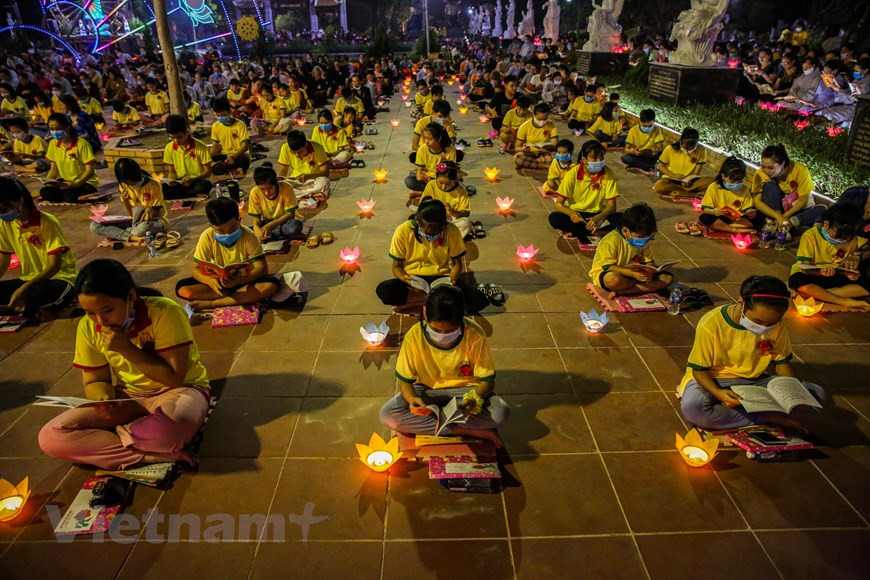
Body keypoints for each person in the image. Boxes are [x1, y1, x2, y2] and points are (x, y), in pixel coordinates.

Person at [38, 258, 210, 470]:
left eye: (108, 310)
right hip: (129, 397)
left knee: (169, 430)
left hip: (180, 391)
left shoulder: (165, 312)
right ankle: (146, 455)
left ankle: (118, 442)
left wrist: (126, 348)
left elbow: (173, 378)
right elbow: (95, 379)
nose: (100, 321)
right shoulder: (87, 327)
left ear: (131, 296)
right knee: (50, 436)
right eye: (90, 313)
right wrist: (103, 399)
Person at [679, 275, 826, 431]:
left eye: (771, 323)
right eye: (758, 322)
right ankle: (766, 417)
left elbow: (782, 362)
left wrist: (793, 394)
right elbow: (699, 370)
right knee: (694, 409)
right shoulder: (712, 323)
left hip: (752, 381)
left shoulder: (777, 326)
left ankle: (737, 415)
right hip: (714, 379)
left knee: (816, 395)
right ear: (741, 303)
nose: (764, 328)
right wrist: (718, 393)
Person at [379, 285, 509, 446]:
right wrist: (412, 399)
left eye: (451, 331)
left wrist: (475, 399)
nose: (443, 336)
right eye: (435, 330)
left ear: (463, 316)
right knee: (388, 415)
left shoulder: (474, 334)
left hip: (465, 393)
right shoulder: (415, 335)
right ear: (425, 313)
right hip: (426, 390)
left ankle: (436, 424)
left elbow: (487, 381)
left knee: (500, 413)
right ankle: (461, 430)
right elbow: (404, 381)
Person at [376, 198, 489, 313]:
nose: (431, 233)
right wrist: (406, 279)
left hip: (442, 278)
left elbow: (457, 264)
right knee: (385, 291)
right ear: (417, 220)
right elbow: (396, 267)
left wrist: (452, 280)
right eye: (426, 229)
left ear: (444, 224)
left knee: (478, 301)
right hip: (413, 280)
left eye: (436, 230)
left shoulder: (452, 230)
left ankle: (420, 301)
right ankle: (436, 301)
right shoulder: (403, 231)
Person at [176, 197, 280, 311]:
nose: (227, 234)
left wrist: (238, 281)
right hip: (218, 284)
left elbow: (262, 268)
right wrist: (211, 282)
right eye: (220, 231)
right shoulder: (207, 236)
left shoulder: (249, 236)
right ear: (210, 226)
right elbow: (195, 269)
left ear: (239, 220)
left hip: (244, 282)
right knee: (182, 288)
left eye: (232, 229)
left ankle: (213, 303)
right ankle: (236, 296)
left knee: (270, 285)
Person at [0, 176, 77, 318]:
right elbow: (4, 259)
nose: (2, 214)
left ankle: (27, 307)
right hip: (28, 279)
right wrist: (24, 286)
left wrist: (24, 288)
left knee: (36, 294)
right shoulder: (4, 224)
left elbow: (54, 265)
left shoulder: (47, 222)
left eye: (4, 208)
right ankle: (24, 307)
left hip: (58, 278)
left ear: (20, 201)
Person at [788, 203, 869, 310]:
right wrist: (820, 272)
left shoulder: (853, 240)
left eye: (845, 237)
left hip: (834, 277)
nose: (840, 240)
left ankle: (817, 294)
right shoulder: (811, 236)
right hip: (812, 276)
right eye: (837, 235)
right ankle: (843, 301)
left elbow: (867, 248)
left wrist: (854, 266)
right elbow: (805, 268)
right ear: (826, 224)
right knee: (796, 280)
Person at [589, 203, 674, 298]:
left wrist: (649, 272)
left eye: (647, 237)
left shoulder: (643, 240)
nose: (644, 240)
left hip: (634, 274)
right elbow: (608, 266)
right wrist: (633, 275)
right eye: (640, 237)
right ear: (625, 231)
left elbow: (648, 261)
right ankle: (636, 286)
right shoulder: (610, 240)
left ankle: (624, 291)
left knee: (667, 278)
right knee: (613, 280)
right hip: (612, 273)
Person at [548, 140, 621, 244]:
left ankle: (579, 231)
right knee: (554, 218)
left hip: (597, 214)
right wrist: (572, 213)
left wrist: (598, 218)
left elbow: (612, 206)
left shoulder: (608, 174)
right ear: (584, 160)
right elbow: (558, 204)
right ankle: (596, 232)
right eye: (594, 158)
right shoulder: (572, 174)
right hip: (577, 215)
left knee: (623, 219)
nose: (599, 161)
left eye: (601, 158)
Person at [90, 158, 168, 244]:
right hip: (133, 221)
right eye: (125, 181)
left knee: (141, 230)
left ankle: (123, 234)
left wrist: (150, 209)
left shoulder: (153, 185)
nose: (127, 183)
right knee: (94, 225)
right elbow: (131, 214)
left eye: (129, 180)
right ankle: (132, 237)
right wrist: (125, 200)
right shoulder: (123, 186)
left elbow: (159, 211)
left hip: (153, 221)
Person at [750, 144, 824, 232]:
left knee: (822, 210)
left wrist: (784, 218)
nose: (766, 171)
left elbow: (803, 201)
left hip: (797, 211)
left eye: (771, 168)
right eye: (763, 166)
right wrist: (778, 216)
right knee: (770, 186)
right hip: (777, 211)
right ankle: (783, 226)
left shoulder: (800, 170)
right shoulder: (760, 173)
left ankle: (787, 224)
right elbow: (757, 201)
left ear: (783, 164)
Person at [40, 113, 100, 203]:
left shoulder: (82, 144)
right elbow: (54, 169)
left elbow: (90, 171)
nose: (55, 132)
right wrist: (48, 182)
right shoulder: (53, 144)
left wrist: (76, 184)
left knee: (69, 196)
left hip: (85, 182)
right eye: (52, 129)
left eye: (58, 129)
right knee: (45, 192)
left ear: (67, 128)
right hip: (67, 183)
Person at [694, 157, 765, 234]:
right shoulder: (714, 187)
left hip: (738, 220)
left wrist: (750, 213)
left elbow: (748, 208)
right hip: (719, 217)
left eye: (740, 181)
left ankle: (722, 227)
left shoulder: (744, 189)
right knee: (705, 217)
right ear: (723, 177)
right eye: (733, 180)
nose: (736, 184)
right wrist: (714, 212)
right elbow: (705, 209)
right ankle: (734, 230)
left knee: (760, 216)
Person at [161, 114, 213, 200]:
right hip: (181, 182)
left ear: (186, 131)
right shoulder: (169, 148)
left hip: (196, 181)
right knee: (162, 189)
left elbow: (208, 172)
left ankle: (188, 194)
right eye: (172, 138)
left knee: (205, 185)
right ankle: (193, 195)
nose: (176, 141)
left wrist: (192, 179)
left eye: (179, 137)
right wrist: (172, 181)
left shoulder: (200, 146)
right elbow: (172, 172)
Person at [247, 163, 303, 241]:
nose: (267, 192)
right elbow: (256, 218)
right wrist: (256, 229)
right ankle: (270, 234)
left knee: (294, 226)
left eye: (270, 188)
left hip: (284, 222)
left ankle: (269, 234)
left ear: (276, 183)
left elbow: (290, 214)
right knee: (243, 231)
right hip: (267, 222)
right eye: (262, 189)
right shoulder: (254, 192)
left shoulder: (286, 188)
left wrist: (271, 226)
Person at [652, 127, 714, 199]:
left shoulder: (701, 149)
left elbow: (696, 172)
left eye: (692, 147)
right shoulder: (671, 148)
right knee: (659, 186)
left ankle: (680, 193)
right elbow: (661, 166)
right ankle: (691, 194)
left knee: (712, 181)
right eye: (686, 147)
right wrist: (673, 175)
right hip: (672, 180)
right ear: (681, 141)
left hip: (691, 182)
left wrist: (690, 180)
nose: (689, 150)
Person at [421, 160, 472, 238]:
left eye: (448, 184)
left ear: (455, 180)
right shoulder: (431, 185)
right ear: (436, 177)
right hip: (434, 219)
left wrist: (452, 212)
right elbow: (423, 205)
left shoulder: (461, 191)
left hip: (450, 220)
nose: (443, 187)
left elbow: (465, 213)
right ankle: (443, 236)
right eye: (440, 183)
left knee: (466, 223)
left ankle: (446, 238)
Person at [276, 130, 331, 198]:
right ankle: (308, 194)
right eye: (293, 152)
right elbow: (283, 170)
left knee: (324, 182)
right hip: (295, 181)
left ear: (306, 144)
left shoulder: (318, 148)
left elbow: (325, 172)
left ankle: (296, 194)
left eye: (300, 152)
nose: (296, 155)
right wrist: (280, 179)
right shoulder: (285, 147)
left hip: (313, 180)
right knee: (279, 186)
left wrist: (308, 176)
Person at [406, 122, 458, 192]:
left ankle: (431, 191)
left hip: (442, 179)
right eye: (425, 138)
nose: (426, 141)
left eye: (429, 139)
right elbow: (419, 172)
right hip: (427, 179)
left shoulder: (450, 150)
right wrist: (420, 177)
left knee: (453, 184)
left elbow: (450, 172)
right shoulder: (422, 149)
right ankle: (435, 191)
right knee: (409, 181)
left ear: (439, 139)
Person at [209, 97, 251, 177]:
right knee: (214, 161)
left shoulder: (240, 125)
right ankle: (234, 170)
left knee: (243, 160)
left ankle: (230, 169)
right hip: (225, 156)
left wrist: (234, 156)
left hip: (239, 155)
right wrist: (207, 159)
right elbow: (215, 147)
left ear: (229, 112)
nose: (220, 117)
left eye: (223, 115)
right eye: (218, 115)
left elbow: (245, 147)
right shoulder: (215, 126)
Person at [513, 102, 559, 170]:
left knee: (559, 156)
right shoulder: (524, 126)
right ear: (534, 115)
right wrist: (524, 149)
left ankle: (531, 164)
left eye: (545, 119)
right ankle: (546, 166)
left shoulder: (551, 125)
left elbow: (555, 145)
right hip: (529, 153)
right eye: (540, 119)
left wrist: (548, 148)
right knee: (518, 157)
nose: (542, 122)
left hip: (545, 153)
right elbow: (517, 148)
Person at [620, 109, 664, 175]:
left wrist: (656, 150)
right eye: (644, 126)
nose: (647, 128)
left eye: (650, 126)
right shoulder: (633, 130)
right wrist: (633, 152)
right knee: (624, 157)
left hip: (651, 156)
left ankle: (641, 165)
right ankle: (647, 166)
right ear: (640, 121)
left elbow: (659, 147)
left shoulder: (657, 129)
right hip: (638, 156)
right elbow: (626, 149)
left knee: (661, 154)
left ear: (654, 121)